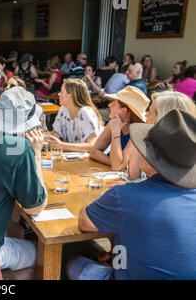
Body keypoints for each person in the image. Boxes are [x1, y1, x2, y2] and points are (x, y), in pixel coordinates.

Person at [68, 109, 196, 280]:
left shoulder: (126, 196)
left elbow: (85, 222)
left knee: (72, 260)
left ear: (151, 159)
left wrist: (106, 199)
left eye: (143, 147)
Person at [0, 87, 47, 279]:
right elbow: (35, 208)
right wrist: (36, 154)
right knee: (36, 252)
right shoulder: (20, 149)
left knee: (16, 228)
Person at [128, 91, 196, 180]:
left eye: (150, 113)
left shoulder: (177, 152)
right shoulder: (152, 141)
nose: (146, 114)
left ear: (163, 119)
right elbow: (134, 176)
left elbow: (134, 177)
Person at [90, 86, 150, 171]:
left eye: (114, 103)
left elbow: (117, 166)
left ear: (123, 111)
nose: (109, 105)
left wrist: (116, 133)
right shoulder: (113, 123)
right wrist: (115, 163)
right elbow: (94, 152)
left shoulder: (139, 131)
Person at [48, 78, 104, 152]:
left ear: (70, 96)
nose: (58, 94)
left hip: (95, 161)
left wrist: (61, 145)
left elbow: (92, 145)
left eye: (61, 91)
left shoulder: (85, 112)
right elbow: (55, 132)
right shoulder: (64, 108)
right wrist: (54, 140)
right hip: (75, 158)